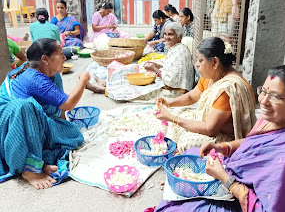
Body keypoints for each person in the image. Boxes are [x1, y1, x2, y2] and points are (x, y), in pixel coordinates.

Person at [154, 65, 285, 212]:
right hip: (235, 172)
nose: (263, 101)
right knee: (191, 154)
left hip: (241, 199)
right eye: (263, 91)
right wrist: (223, 147)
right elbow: (253, 142)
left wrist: (226, 179)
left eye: (275, 97)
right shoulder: (274, 118)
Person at [0, 38, 90, 190]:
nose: (64, 58)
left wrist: (62, 126)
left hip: (33, 122)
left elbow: (60, 109)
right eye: (60, 54)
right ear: (45, 59)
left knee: (73, 134)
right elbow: (68, 104)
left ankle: (40, 161)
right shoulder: (33, 78)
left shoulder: (53, 75)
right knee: (25, 106)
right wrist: (83, 80)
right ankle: (31, 170)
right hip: (12, 127)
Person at [155, 37, 256, 153]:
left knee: (186, 141)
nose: (197, 64)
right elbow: (191, 96)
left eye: (200, 60)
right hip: (212, 125)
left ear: (215, 62)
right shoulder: (211, 76)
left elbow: (210, 129)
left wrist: (171, 118)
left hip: (229, 137)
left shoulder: (228, 88)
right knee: (179, 116)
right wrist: (168, 103)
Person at [86, 22, 195, 100]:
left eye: (170, 34)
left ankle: (101, 89)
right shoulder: (176, 48)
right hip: (172, 87)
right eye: (165, 34)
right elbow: (172, 70)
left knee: (134, 90)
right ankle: (106, 83)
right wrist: (159, 66)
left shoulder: (180, 51)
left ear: (179, 37)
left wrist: (155, 69)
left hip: (174, 93)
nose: (166, 37)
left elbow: (172, 80)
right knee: (136, 78)